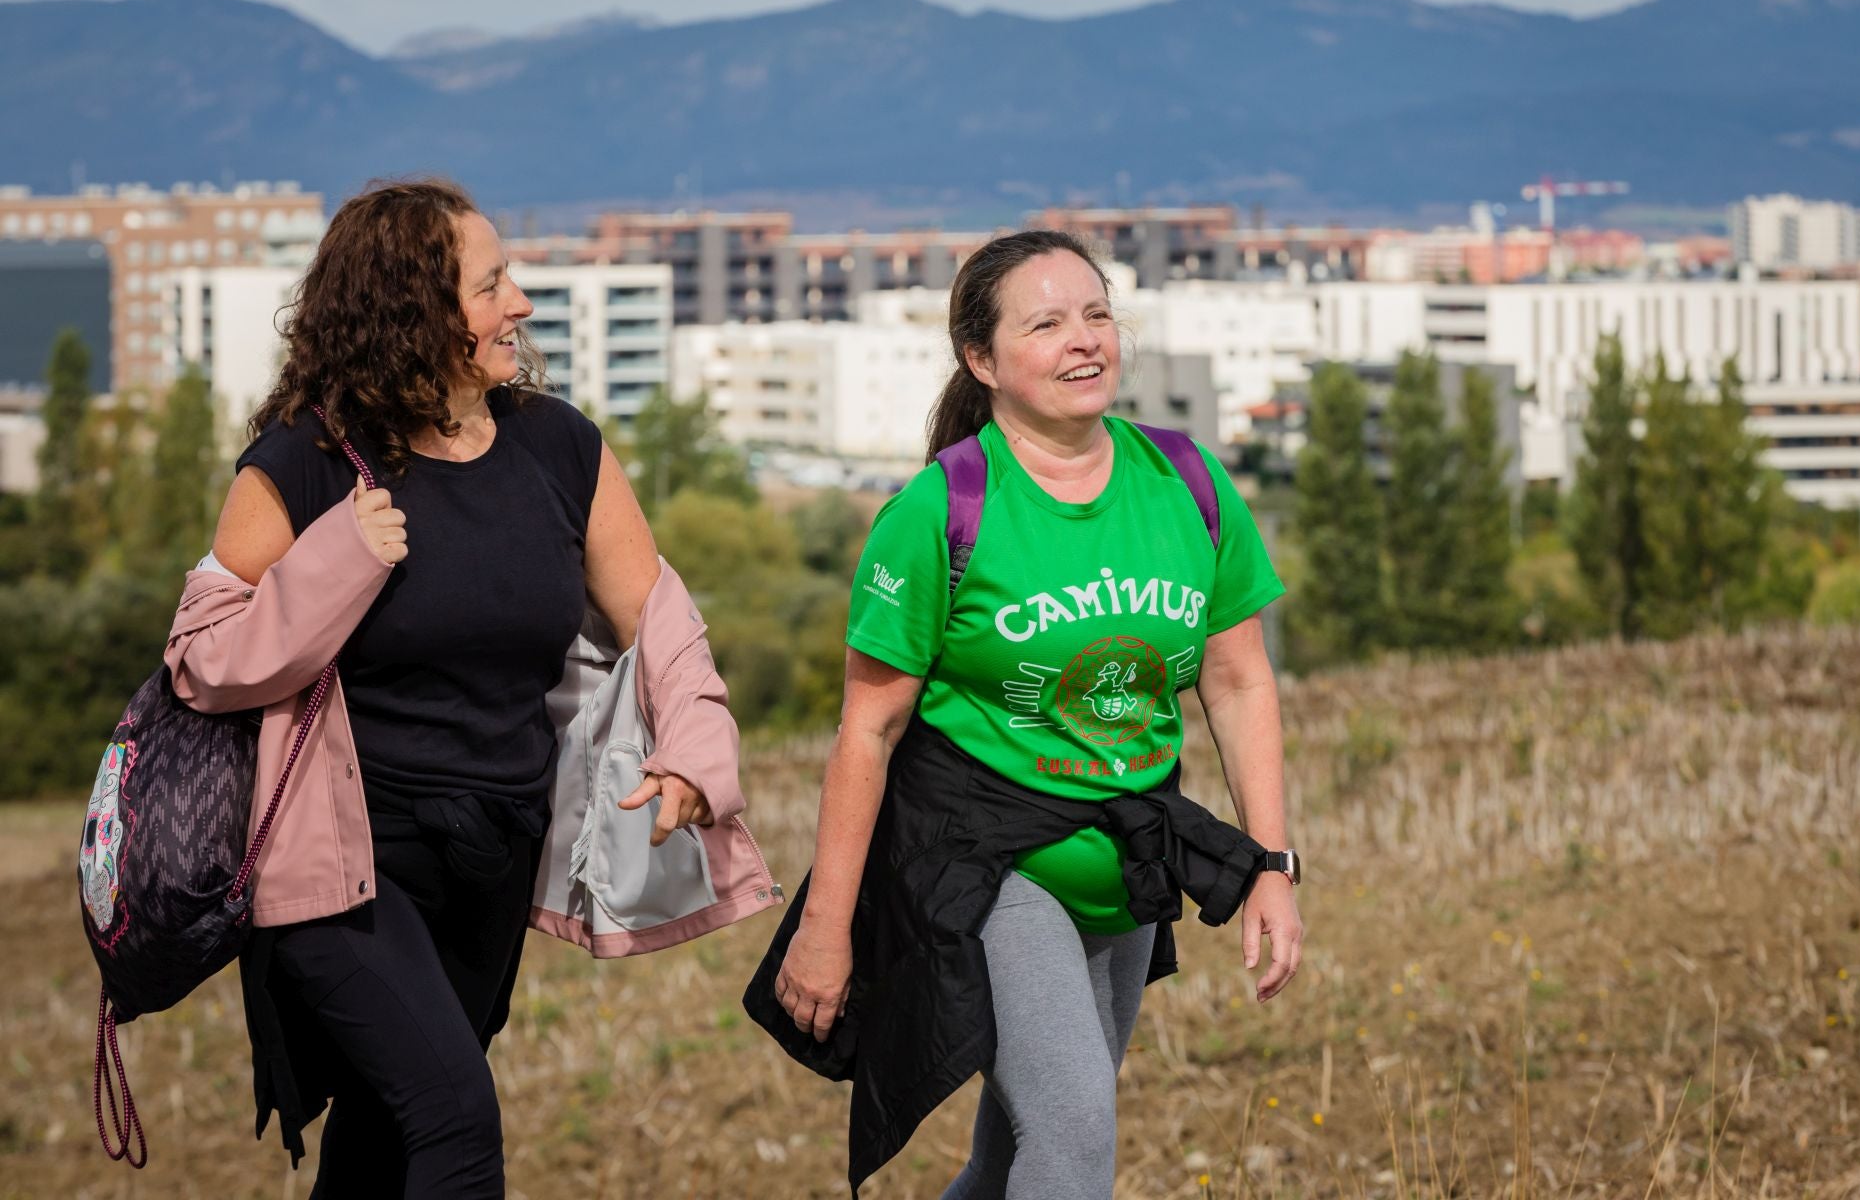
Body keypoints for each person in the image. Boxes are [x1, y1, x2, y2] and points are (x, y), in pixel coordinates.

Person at [749, 230, 1305, 1198]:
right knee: (1078, 1131)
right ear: (983, 359)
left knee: (1018, 1151)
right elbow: (868, 731)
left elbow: (1239, 680)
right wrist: (826, 926)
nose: (1083, 340)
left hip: (1126, 852)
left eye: (1096, 314)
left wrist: (1271, 862)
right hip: (982, 857)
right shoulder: (938, 510)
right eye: (1046, 323)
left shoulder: (1192, 484)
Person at [189, 179, 717, 1195]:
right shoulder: (302, 466)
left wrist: (692, 744)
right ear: (412, 309)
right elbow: (202, 654)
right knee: (455, 1121)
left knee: (388, 1137)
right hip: (341, 865)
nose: (519, 300)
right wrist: (336, 558)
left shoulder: (556, 445)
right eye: (491, 284)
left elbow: (660, 622)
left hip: (491, 854)